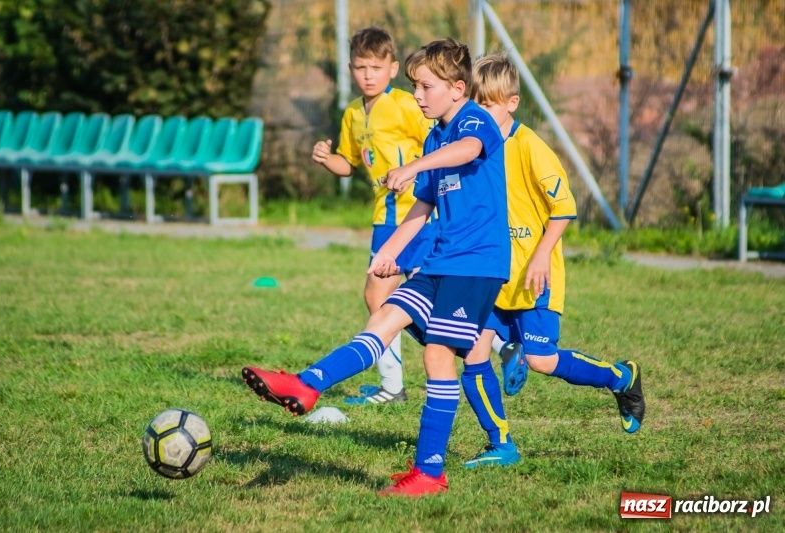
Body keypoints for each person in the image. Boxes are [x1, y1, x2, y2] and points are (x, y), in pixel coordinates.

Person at [242, 38, 509, 496]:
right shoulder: (433, 134)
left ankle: (429, 473)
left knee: (436, 357)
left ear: (458, 87)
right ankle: (306, 385)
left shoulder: (472, 120)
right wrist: (392, 253)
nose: (418, 95)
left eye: (426, 87)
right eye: (414, 87)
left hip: (477, 264)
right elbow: (422, 207)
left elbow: (468, 150)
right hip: (441, 258)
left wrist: (413, 166)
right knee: (383, 316)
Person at [458, 54, 646, 469]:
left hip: (533, 276)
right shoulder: (473, 150)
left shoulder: (531, 148)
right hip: (492, 276)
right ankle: (501, 444)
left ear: (512, 103)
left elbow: (563, 208)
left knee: (543, 360)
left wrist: (542, 254)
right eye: (476, 105)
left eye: (488, 105)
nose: (482, 114)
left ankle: (621, 377)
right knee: (471, 352)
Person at [311, 26, 436, 406]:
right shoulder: (352, 114)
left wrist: (413, 171)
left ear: (393, 68)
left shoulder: (405, 104)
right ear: (350, 68)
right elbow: (348, 164)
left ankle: (394, 386)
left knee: (383, 297)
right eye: (361, 67)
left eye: (376, 67)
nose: (368, 75)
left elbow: (436, 145)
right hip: (385, 216)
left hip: (416, 215)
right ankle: (496, 344)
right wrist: (326, 158)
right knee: (397, 300)